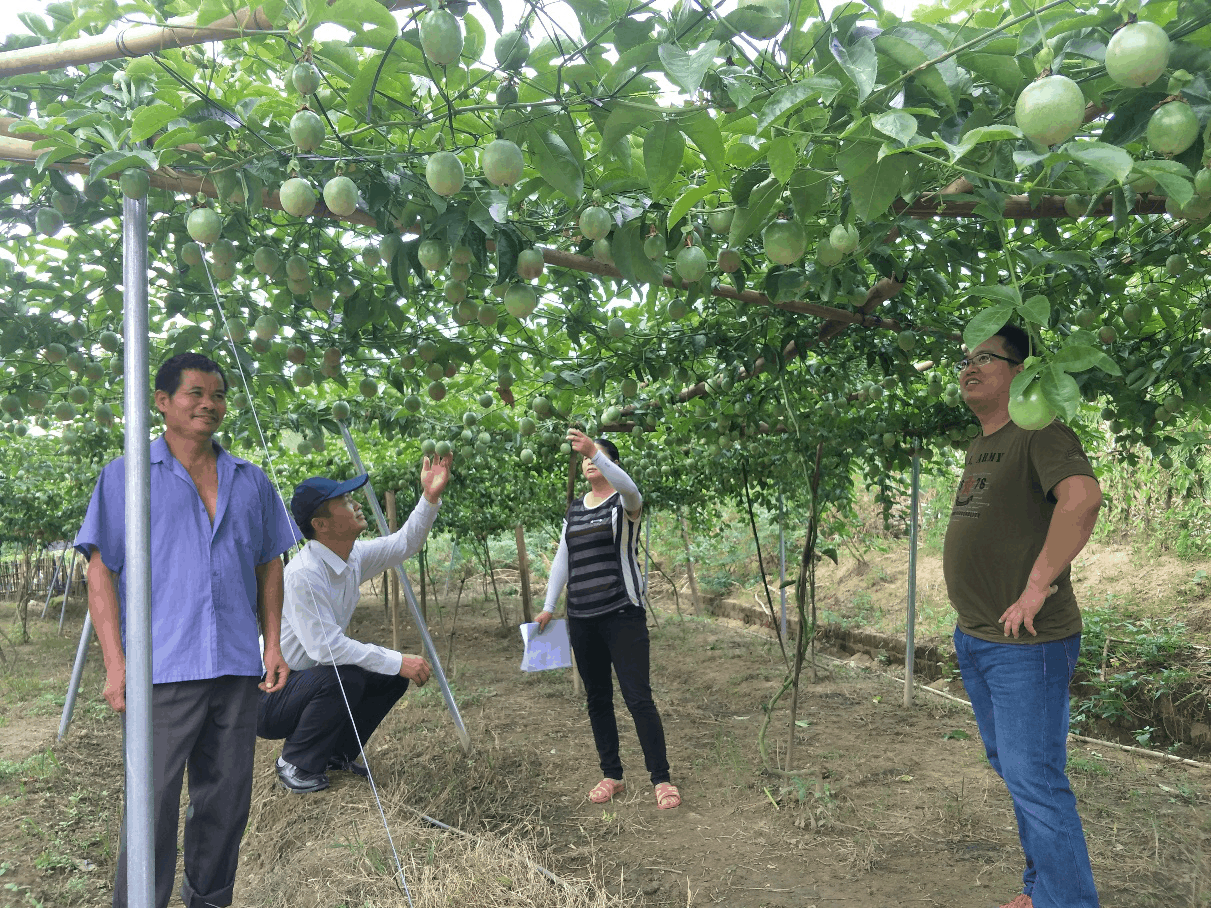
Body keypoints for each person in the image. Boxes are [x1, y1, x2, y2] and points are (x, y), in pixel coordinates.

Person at [75, 352, 297, 908]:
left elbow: (271, 563)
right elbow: (100, 571)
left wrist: (272, 642)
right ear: (162, 402)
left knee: (226, 802)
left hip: (236, 664)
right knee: (151, 804)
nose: (209, 404)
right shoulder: (127, 476)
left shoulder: (250, 481)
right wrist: (116, 663)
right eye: (195, 393)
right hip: (163, 666)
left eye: (218, 395)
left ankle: (209, 900)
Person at [943, 324, 1103, 908]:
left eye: (987, 356)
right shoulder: (985, 442)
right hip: (981, 637)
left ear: (1023, 371)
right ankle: (1043, 891)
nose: (970, 365)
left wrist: (1037, 586)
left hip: (1026, 643)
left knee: (1034, 779)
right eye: (966, 357)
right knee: (1017, 771)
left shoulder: (1040, 433)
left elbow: (1082, 497)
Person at [257, 453, 451, 793]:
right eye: (345, 501)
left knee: (387, 678)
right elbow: (325, 647)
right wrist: (398, 660)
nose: (356, 504)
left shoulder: (352, 555)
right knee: (344, 675)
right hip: (267, 696)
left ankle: (334, 754)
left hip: (303, 680)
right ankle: (295, 763)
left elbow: (403, 544)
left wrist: (429, 498)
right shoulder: (304, 574)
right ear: (322, 525)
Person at [537, 428, 680, 810]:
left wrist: (595, 451)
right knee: (598, 698)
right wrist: (550, 606)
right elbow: (562, 560)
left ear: (611, 464)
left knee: (638, 698)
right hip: (582, 617)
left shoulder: (624, 504)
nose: (588, 460)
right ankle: (612, 774)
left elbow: (633, 491)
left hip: (622, 612)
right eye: (585, 456)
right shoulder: (575, 508)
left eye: (596, 455)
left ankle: (661, 778)